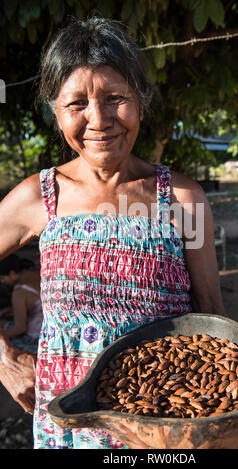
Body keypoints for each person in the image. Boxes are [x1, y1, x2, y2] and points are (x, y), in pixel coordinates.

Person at [0, 17, 225, 449]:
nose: (99, 120)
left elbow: (212, 313)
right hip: (68, 425)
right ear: (55, 110)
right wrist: (6, 360)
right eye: (76, 104)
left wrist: (230, 421)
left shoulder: (182, 199)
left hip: (164, 424)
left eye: (115, 98)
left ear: (140, 100)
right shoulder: (38, 197)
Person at [0, 254, 42, 354]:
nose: (2, 282)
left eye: (2, 278)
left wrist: (2, 336)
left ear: (12, 273)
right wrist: (9, 310)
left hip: (36, 339)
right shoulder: (36, 273)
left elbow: (20, 328)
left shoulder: (19, 292)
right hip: (50, 331)